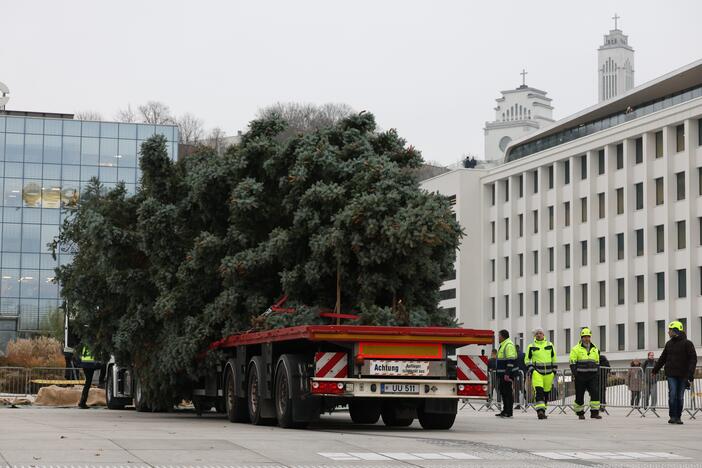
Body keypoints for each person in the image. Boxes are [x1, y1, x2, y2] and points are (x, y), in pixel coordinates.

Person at [652, 321, 698, 425]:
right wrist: (655, 370)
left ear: (676, 330)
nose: (668, 332)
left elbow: (693, 359)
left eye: (670, 330)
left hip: (683, 375)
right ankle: (672, 416)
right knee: (672, 394)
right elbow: (662, 358)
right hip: (671, 374)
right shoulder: (669, 344)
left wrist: (690, 375)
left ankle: (678, 417)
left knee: (680, 396)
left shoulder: (688, 343)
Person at [569, 327, 602, 419]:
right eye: (584, 337)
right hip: (580, 376)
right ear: (581, 337)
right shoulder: (575, 349)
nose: (586, 338)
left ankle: (594, 413)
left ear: (590, 337)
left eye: (588, 336)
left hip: (592, 376)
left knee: (595, 393)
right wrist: (576, 374)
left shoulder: (595, 349)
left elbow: (597, 363)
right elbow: (572, 363)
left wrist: (597, 373)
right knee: (580, 395)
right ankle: (580, 413)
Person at [525, 327, 556, 420]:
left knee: (546, 393)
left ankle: (543, 410)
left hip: (549, 373)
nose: (539, 335)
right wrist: (532, 369)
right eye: (537, 333)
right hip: (537, 373)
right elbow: (527, 359)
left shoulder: (550, 345)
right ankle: (540, 411)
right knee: (539, 391)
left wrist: (554, 370)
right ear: (535, 335)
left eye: (540, 333)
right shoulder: (531, 346)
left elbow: (553, 358)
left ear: (543, 335)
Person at [495, 330, 517, 418]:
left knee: (507, 392)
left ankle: (509, 411)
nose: (498, 338)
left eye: (499, 336)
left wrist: (507, 373)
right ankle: (505, 410)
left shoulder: (508, 345)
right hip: (503, 374)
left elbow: (510, 360)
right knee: (504, 392)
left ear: (503, 336)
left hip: (507, 374)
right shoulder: (504, 344)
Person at [77, 345, 102, 409]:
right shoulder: (94, 344)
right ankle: (82, 402)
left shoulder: (85, 344)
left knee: (87, 383)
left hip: (85, 365)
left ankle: (82, 402)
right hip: (91, 365)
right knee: (88, 383)